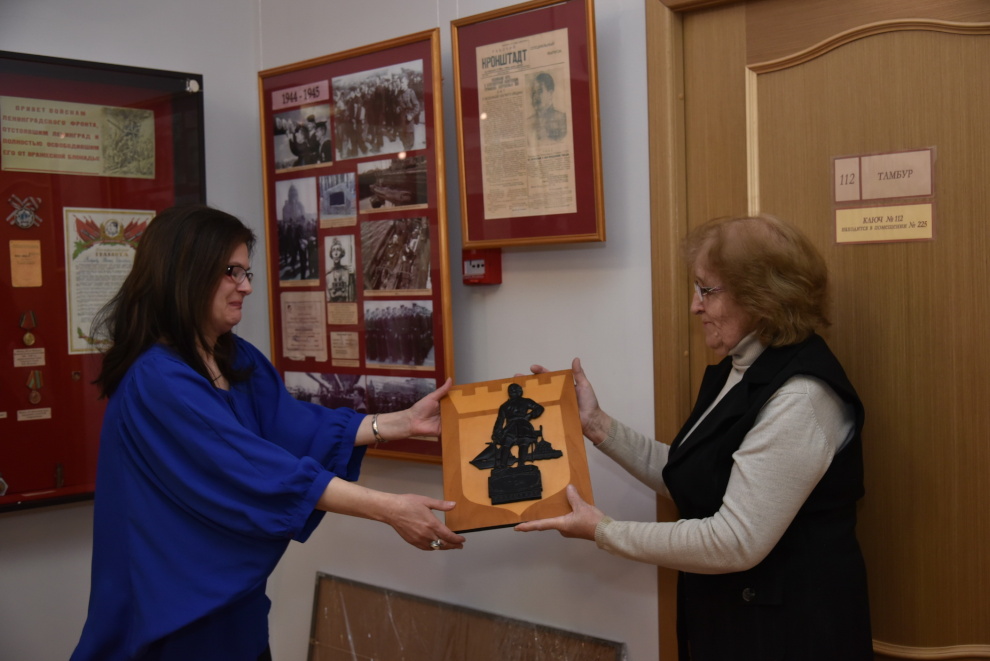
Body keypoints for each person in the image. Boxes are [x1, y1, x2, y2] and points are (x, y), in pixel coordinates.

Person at [71, 205, 465, 661]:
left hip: (235, 611)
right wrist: (389, 508)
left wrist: (399, 423)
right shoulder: (157, 380)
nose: (247, 287)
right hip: (171, 617)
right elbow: (257, 469)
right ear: (185, 272)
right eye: (232, 272)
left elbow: (291, 426)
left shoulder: (232, 356)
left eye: (246, 272)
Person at [517, 214, 873, 660]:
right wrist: (596, 425)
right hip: (735, 621)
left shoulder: (801, 395)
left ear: (762, 297)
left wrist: (604, 531)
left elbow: (735, 540)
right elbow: (694, 476)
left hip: (791, 634)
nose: (694, 306)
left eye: (707, 290)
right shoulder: (740, 366)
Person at [528, 72, 567, 142]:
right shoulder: (528, 122)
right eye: (534, 93)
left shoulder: (562, 119)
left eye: (540, 91)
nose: (536, 96)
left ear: (550, 93)